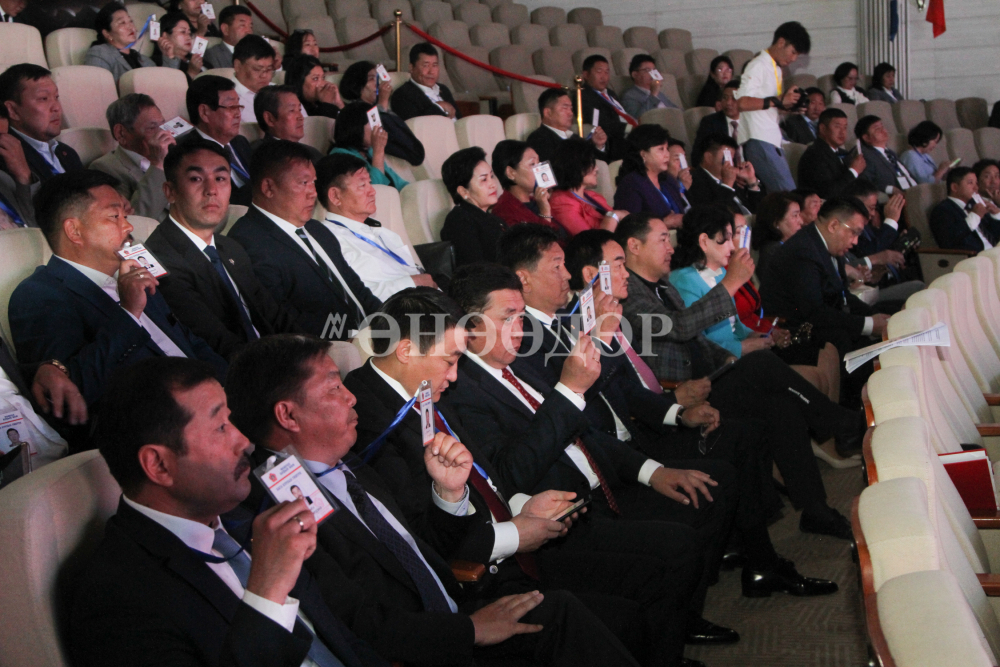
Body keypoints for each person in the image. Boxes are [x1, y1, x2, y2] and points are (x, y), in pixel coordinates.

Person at [232, 334, 648, 667]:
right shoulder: (279, 512)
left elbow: (424, 545)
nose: (351, 397)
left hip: (457, 602)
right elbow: (359, 621)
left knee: (611, 615)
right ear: (288, 415)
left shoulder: (348, 463)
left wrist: (448, 494)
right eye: (334, 388)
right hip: (430, 643)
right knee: (566, 617)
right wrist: (469, 630)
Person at [70, 356, 387, 667]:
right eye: (221, 427)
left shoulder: (245, 522)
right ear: (159, 465)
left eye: (231, 420)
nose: (244, 442)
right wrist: (267, 592)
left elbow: (338, 638)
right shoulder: (117, 599)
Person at [612, 213, 864, 537]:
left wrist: (730, 359)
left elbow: (698, 340)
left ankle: (815, 509)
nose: (670, 247)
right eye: (662, 240)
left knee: (781, 406)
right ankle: (840, 422)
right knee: (759, 364)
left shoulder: (661, 286)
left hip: (707, 378)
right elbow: (680, 327)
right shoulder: (629, 295)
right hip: (679, 395)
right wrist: (730, 284)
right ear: (634, 246)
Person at [9, 170, 227, 408]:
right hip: (155, 415)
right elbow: (75, 390)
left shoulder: (130, 272)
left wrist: (229, 385)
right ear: (74, 231)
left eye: (125, 215)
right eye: (114, 216)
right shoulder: (39, 295)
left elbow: (189, 341)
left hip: (211, 398)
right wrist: (129, 313)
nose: (128, 226)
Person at [145, 141, 300, 360]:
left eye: (220, 179)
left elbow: (274, 316)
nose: (212, 190)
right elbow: (214, 341)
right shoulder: (159, 258)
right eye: (196, 179)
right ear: (170, 192)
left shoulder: (230, 247)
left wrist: (311, 348)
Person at [228, 140, 381, 339]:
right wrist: (355, 337)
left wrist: (389, 323)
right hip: (329, 346)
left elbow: (356, 289)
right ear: (268, 187)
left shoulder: (317, 230)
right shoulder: (247, 243)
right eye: (303, 183)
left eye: (313, 182)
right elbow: (283, 320)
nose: (313, 193)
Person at [759, 197, 889, 358]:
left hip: (823, 327)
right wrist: (868, 324)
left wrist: (875, 317)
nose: (856, 241)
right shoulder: (803, 251)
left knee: (889, 312)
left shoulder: (824, 243)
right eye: (854, 233)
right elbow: (815, 312)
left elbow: (842, 296)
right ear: (833, 225)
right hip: (792, 336)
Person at [316, 152, 435, 299]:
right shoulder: (329, 241)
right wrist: (413, 283)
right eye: (362, 185)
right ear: (335, 196)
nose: (372, 191)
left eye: (370, 183)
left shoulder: (382, 232)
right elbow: (355, 298)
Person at [669, 206, 774, 359]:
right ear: (704, 241)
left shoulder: (721, 273)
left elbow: (734, 326)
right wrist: (742, 347)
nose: (732, 247)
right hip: (719, 363)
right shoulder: (683, 281)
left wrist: (752, 335)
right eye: (727, 239)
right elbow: (698, 343)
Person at [734, 21, 811, 192]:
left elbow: (766, 104)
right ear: (781, 42)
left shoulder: (775, 68)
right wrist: (779, 100)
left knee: (783, 197)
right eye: (793, 52)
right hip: (759, 138)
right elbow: (742, 102)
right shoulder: (758, 65)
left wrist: (788, 106)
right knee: (788, 195)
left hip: (769, 138)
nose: (793, 59)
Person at [91, 94, 175, 220]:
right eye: (152, 128)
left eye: (163, 126)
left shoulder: (174, 155)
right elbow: (136, 220)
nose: (163, 134)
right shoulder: (105, 168)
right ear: (121, 133)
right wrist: (157, 164)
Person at [0, 64, 82, 184]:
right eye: (43, 98)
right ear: (13, 110)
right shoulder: (6, 157)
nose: (56, 107)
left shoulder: (67, 153)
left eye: (56, 97)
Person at [182, 75, 254, 205]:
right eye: (231, 107)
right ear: (204, 112)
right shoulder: (188, 153)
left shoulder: (239, 142)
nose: (238, 114)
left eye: (238, 106)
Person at [338, 60, 424, 165]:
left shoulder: (379, 109)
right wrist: (382, 104)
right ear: (358, 85)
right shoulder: (355, 116)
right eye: (371, 79)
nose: (378, 84)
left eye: (377, 79)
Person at [439, 146, 507, 266]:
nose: (493, 184)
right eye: (484, 179)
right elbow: (476, 269)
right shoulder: (459, 221)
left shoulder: (495, 219)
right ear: (464, 191)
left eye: (491, 176)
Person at [549, 138, 628, 237]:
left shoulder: (593, 195)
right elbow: (590, 241)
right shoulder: (561, 201)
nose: (596, 168)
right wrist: (614, 216)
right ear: (575, 166)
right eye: (591, 163)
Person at [613, 124, 687, 226]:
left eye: (667, 148)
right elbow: (630, 226)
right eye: (661, 149)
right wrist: (664, 222)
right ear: (643, 154)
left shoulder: (668, 180)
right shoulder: (631, 184)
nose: (667, 155)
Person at [490, 139, 564, 236]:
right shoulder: (504, 211)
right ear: (511, 173)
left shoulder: (537, 200)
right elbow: (537, 244)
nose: (540, 170)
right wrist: (545, 213)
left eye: (539, 162)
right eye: (532, 164)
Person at [331, 101, 407, 190]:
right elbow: (373, 190)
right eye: (373, 122)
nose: (379, 127)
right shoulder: (340, 156)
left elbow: (399, 183)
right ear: (357, 126)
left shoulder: (369, 151)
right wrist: (378, 152)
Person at [526, 88, 610, 163]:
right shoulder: (538, 140)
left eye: (571, 108)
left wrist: (598, 146)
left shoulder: (574, 137)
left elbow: (596, 165)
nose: (571, 113)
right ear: (548, 113)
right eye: (565, 108)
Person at [688, 133, 763, 215]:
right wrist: (727, 185)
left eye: (732, 159)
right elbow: (716, 214)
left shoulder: (733, 178)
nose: (730, 164)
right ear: (708, 158)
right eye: (726, 158)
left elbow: (757, 211)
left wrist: (751, 182)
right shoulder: (694, 182)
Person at [796, 108, 864, 199]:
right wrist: (853, 171)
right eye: (837, 126)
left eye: (845, 127)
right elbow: (828, 193)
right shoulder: (814, 155)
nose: (842, 132)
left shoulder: (844, 153)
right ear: (823, 129)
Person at [930, 166, 1000, 251]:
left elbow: (996, 235)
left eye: (976, 183)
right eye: (970, 183)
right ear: (955, 187)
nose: (976, 188)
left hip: (994, 250)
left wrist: (996, 215)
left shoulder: (975, 205)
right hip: (975, 255)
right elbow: (949, 240)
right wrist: (975, 216)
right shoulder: (942, 211)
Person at [84, 3, 155, 83]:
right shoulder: (100, 53)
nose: (130, 27)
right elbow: (98, 86)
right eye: (122, 23)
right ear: (107, 33)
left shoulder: (144, 59)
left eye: (131, 21)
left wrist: (166, 55)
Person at [580, 54, 632, 162]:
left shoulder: (610, 93)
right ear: (586, 75)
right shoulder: (583, 95)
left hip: (627, 134)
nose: (604, 77)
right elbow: (598, 122)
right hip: (612, 140)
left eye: (607, 72)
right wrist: (629, 128)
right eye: (599, 71)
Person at [390, 42, 460, 121]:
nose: (431, 72)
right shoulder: (402, 95)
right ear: (411, 68)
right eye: (425, 65)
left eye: (434, 65)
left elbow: (459, 120)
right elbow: (416, 124)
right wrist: (439, 106)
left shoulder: (444, 90)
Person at [252, 85, 321, 161]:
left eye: (299, 110)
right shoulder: (262, 155)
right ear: (270, 119)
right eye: (292, 110)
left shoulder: (312, 152)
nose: (301, 117)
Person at [855, 115, 917, 193]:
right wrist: (889, 189)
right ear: (866, 138)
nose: (884, 131)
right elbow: (865, 183)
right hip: (899, 196)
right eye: (878, 129)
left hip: (914, 190)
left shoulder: (890, 153)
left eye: (882, 127)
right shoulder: (866, 157)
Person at [751, 191, 804, 276]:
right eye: (795, 215)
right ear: (776, 223)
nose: (801, 221)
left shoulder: (786, 247)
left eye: (799, 215)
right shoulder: (775, 253)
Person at [233, 35, 278, 124]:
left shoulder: (279, 93)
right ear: (237, 66)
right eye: (257, 69)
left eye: (269, 69)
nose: (264, 75)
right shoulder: (226, 99)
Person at [621, 53, 679, 119]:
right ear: (635, 75)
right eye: (647, 70)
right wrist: (653, 94)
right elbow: (639, 119)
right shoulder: (629, 96)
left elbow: (676, 110)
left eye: (654, 70)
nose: (652, 74)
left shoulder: (660, 94)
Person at [286, 55, 344, 119]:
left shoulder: (317, 103)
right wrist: (326, 104)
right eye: (315, 78)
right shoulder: (295, 109)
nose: (323, 84)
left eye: (323, 78)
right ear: (299, 82)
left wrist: (339, 103)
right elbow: (322, 124)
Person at [152, 12, 204, 81]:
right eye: (183, 32)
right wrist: (191, 73)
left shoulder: (196, 59)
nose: (188, 37)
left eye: (189, 33)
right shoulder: (157, 63)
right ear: (165, 36)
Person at [692, 81, 741, 154]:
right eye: (725, 97)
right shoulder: (710, 123)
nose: (728, 102)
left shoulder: (753, 123)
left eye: (734, 98)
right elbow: (698, 154)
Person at [899, 120, 950, 185]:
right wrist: (941, 171)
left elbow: (936, 178)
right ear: (926, 138)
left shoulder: (926, 156)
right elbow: (924, 184)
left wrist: (945, 172)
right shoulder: (910, 156)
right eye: (935, 141)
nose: (935, 146)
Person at [203, 5, 253, 69]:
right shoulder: (212, 54)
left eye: (251, 27)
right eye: (242, 25)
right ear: (225, 29)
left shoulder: (254, 52)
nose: (249, 31)